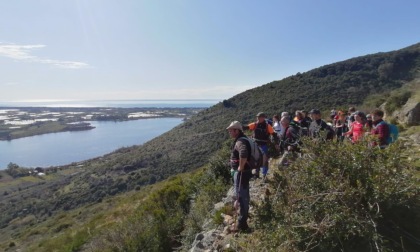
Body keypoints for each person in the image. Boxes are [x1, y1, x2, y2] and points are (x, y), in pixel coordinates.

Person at [226, 121, 252, 231]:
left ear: (237, 131)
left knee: (242, 198)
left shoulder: (240, 141)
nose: (230, 132)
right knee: (242, 196)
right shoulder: (241, 139)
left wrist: (240, 167)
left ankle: (242, 225)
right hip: (242, 173)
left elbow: (244, 153)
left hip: (242, 173)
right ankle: (242, 220)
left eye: (231, 130)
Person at [243, 112, 279, 179]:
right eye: (257, 117)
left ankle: (264, 175)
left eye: (259, 117)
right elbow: (246, 127)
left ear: (263, 118)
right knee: (255, 159)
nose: (258, 118)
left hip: (263, 145)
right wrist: (239, 126)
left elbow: (274, 134)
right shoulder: (255, 124)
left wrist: (276, 144)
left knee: (264, 160)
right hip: (256, 145)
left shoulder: (267, 126)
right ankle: (256, 174)